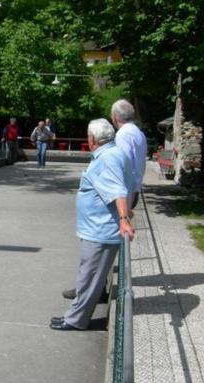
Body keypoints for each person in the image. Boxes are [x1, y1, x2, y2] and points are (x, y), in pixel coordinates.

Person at [50, 118, 134, 331]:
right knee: (88, 272)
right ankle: (76, 313)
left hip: (102, 229)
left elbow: (118, 190)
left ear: (92, 139)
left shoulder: (108, 158)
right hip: (96, 228)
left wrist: (124, 219)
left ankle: (76, 319)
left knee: (90, 274)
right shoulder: (110, 154)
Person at [111, 99, 147, 209]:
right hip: (135, 188)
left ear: (115, 116)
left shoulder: (123, 135)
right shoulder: (138, 133)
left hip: (126, 192)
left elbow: (124, 166)